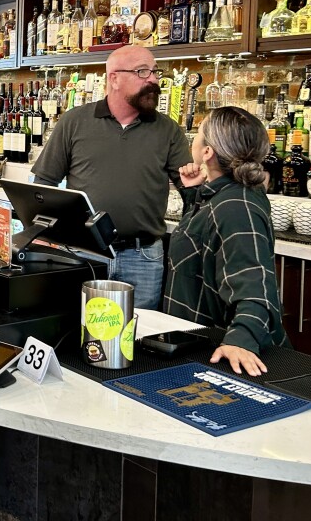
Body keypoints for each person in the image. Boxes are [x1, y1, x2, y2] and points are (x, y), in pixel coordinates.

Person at [31, 46, 191, 310]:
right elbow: (43, 186)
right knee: (78, 330)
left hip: (144, 257)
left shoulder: (168, 130)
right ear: (114, 78)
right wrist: (43, 234)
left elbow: (191, 191)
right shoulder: (75, 122)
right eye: (142, 72)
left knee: (139, 338)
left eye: (154, 72)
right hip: (84, 252)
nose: (152, 79)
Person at [165, 106, 289, 377]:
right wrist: (194, 192)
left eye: (198, 134)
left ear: (207, 152)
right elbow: (202, 245)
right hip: (197, 343)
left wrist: (240, 339)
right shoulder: (227, 195)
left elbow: (255, 283)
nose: (193, 141)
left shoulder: (236, 206)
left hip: (219, 354)